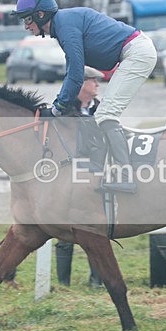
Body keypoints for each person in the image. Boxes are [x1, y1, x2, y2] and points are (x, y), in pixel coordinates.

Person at [11, 0, 157, 193]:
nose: (26, 26)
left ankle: (126, 177)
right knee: (102, 115)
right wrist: (60, 104)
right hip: (134, 51)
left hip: (137, 53)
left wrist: (57, 108)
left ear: (40, 15)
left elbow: (76, 73)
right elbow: (73, 71)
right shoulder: (63, 25)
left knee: (106, 114)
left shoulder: (65, 26)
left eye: (27, 19)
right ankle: (102, 167)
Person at [55, 67, 104, 288]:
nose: (97, 84)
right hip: (68, 179)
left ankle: (97, 280)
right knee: (65, 231)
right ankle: (63, 284)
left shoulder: (101, 109)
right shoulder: (63, 111)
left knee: (96, 229)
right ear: (81, 84)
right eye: (93, 81)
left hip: (95, 177)